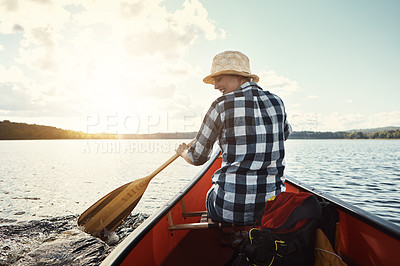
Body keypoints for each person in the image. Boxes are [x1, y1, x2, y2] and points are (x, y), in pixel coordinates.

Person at [176, 51, 291, 225]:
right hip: (273, 210)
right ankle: (244, 237)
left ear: (238, 76)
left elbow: (197, 157)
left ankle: (231, 236)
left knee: (210, 194)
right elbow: (285, 133)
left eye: (219, 78)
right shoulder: (277, 101)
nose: (215, 85)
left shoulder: (220, 105)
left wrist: (183, 152)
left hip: (230, 210)